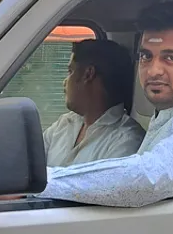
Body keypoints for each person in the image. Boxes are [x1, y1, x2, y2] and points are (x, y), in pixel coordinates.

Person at [40, 0, 173, 208]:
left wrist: (38, 183)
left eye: (170, 58)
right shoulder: (169, 117)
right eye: (146, 57)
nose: (153, 71)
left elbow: (147, 178)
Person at [43, 38, 143, 166]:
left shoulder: (126, 140)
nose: (64, 82)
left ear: (88, 74)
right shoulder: (63, 124)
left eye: (70, 72)